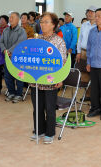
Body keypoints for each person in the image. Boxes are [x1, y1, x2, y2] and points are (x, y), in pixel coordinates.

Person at [30, 12, 67, 144]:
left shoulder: (58, 41)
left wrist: (60, 78)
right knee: (37, 107)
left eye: (46, 22)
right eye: (41, 21)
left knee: (50, 108)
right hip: (36, 80)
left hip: (51, 80)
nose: (42, 24)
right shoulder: (36, 39)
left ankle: (50, 133)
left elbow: (62, 61)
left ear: (53, 25)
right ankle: (39, 130)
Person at [0, 12, 27, 103]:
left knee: (18, 76)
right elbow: (1, 42)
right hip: (7, 57)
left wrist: (10, 51)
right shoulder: (6, 30)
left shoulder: (21, 31)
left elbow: (20, 42)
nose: (10, 19)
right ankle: (11, 92)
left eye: (12, 17)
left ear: (18, 19)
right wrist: (4, 50)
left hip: (18, 58)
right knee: (7, 76)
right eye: (10, 17)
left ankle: (19, 94)